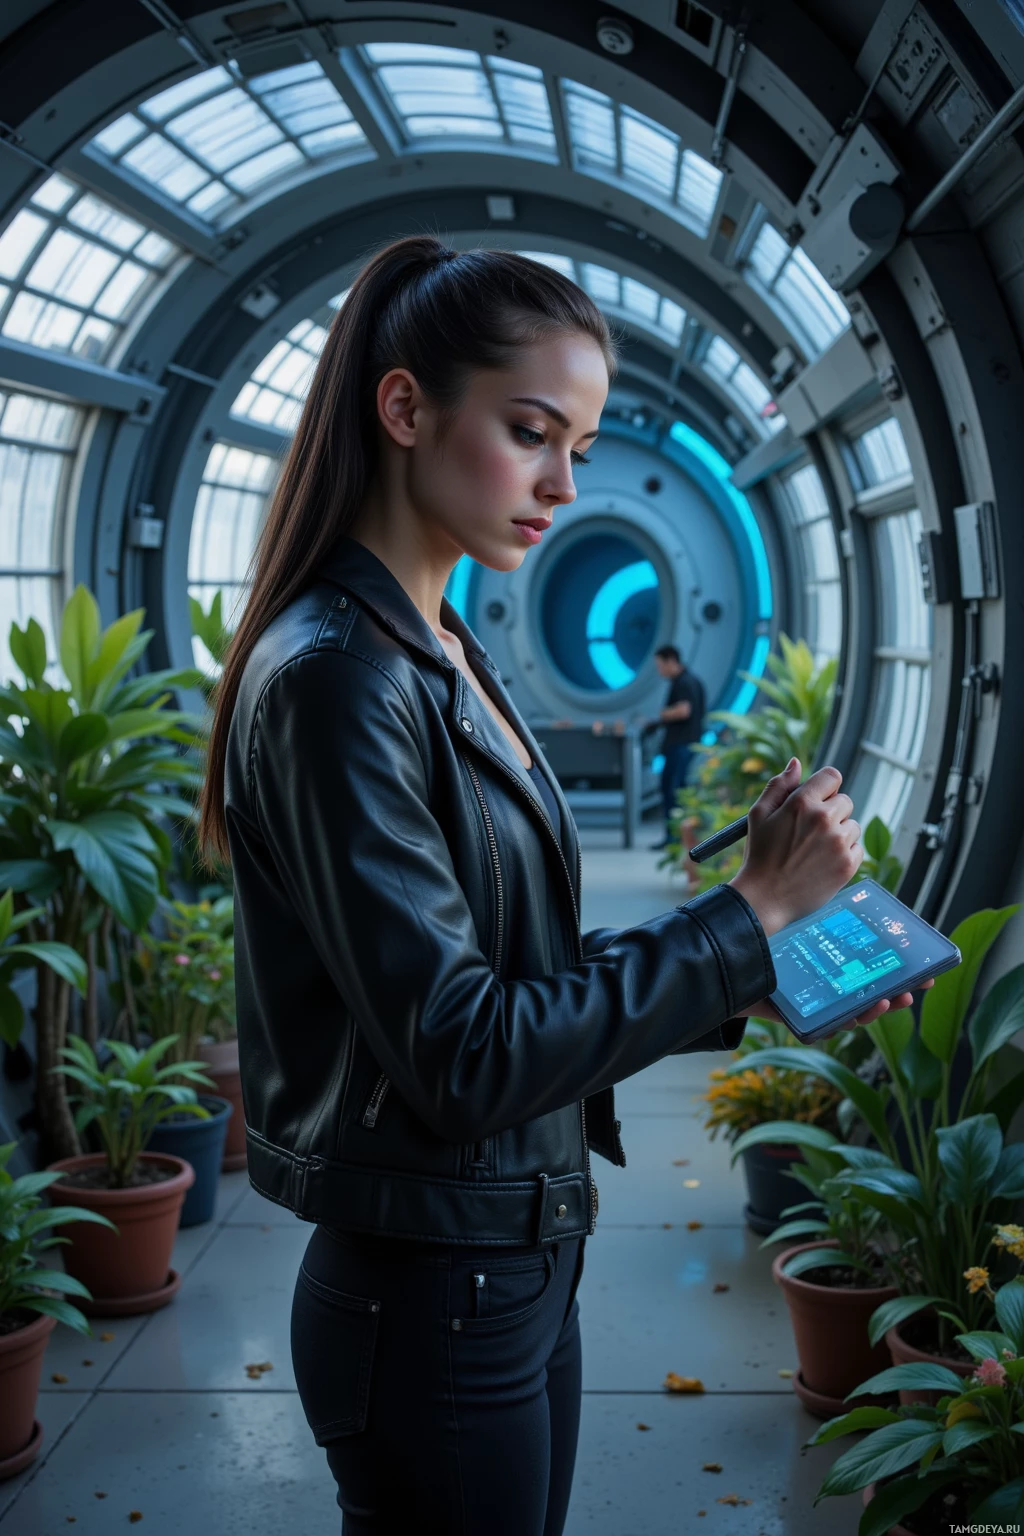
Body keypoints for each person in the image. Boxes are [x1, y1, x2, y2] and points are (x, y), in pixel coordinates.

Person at [198, 237, 932, 1536]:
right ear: (407, 408)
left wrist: (755, 980)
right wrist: (747, 907)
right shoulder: (338, 680)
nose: (562, 482)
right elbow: (463, 1055)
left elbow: (513, 977)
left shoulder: (439, 648)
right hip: (433, 1289)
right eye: (533, 431)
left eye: (581, 445)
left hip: (513, 1253)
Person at [647, 644, 706, 850]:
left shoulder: (684, 682)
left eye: (660, 665)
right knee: (675, 787)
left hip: (681, 744)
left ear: (671, 660)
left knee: (673, 788)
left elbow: (684, 711)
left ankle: (674, 838)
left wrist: (663, 714)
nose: (659, 670)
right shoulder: (689, 681)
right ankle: (677, 837)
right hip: (684, 743)